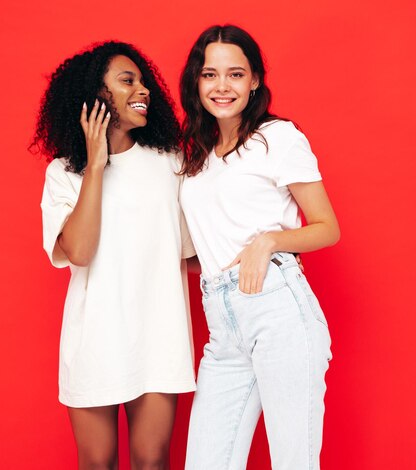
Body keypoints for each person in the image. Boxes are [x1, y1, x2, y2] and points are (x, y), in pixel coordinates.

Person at [178, 25, 340, 470]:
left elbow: (328, 227)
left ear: (254, 81)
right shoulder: (196, 156)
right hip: (223, 322)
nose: (222, 86)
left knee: (294, 461)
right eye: (210, 74)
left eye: (235, 74)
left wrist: (267, 242)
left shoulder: (278, 138)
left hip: (277, 310)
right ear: (197, 82)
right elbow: (209, 246)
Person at [32, 41, 196, 470]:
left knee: (151, 460)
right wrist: (96, 166)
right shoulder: (64, 172)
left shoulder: (170, 164)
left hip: (159, 335)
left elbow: (193, 250)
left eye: (143, 81)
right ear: (95, 95)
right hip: (95, 340)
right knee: (98, 463)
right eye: (128, 81)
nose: (143, 89)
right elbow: (81, 251)